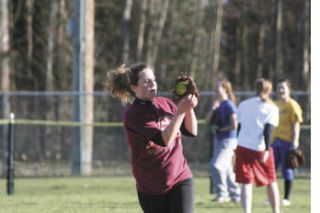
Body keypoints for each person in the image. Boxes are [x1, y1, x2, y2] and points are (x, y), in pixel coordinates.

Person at [106, 63, 198, 213]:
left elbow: (191, 131)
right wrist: (181, 111)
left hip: (180, 178)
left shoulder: (165, 103)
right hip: (151, 187)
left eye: (153, 80)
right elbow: (164, 140)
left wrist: (188, 107)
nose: (152, 84)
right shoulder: (134, 114)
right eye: (146, 81)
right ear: (133, 87)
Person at [235, 78, 281, 213]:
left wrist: (238, 143)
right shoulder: (271, 107)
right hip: (260, 148)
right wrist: (267, 150)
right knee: (271, 181)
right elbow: (268, 130)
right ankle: (276, 211)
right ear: (269, 91)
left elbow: (240, 127)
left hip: (243, 146)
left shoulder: (244, 104)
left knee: (246, 182)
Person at [205, 79, 240, 202]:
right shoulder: (216, 104)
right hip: (219, 140)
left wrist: (221, 129)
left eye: (218, 88)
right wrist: (213, 109)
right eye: (215, 88)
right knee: (227, 168)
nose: (215, 91)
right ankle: (236, 195)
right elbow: (207, 121)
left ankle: (222, 194)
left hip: (229, 140)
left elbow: (235, 125)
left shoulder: (228, 104)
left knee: (216, 165)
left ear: (225, 89)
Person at [271, 79, 303, 206]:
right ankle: (272, 196)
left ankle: (286, 198)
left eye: (283, 88)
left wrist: (294, 143)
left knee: (287, 169)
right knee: (271, 169)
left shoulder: (292, 105)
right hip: (275, 141)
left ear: (289, 90)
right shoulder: (275, 104)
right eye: (278, 88)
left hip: (287, 141)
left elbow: (296, 125)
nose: (280, 90)